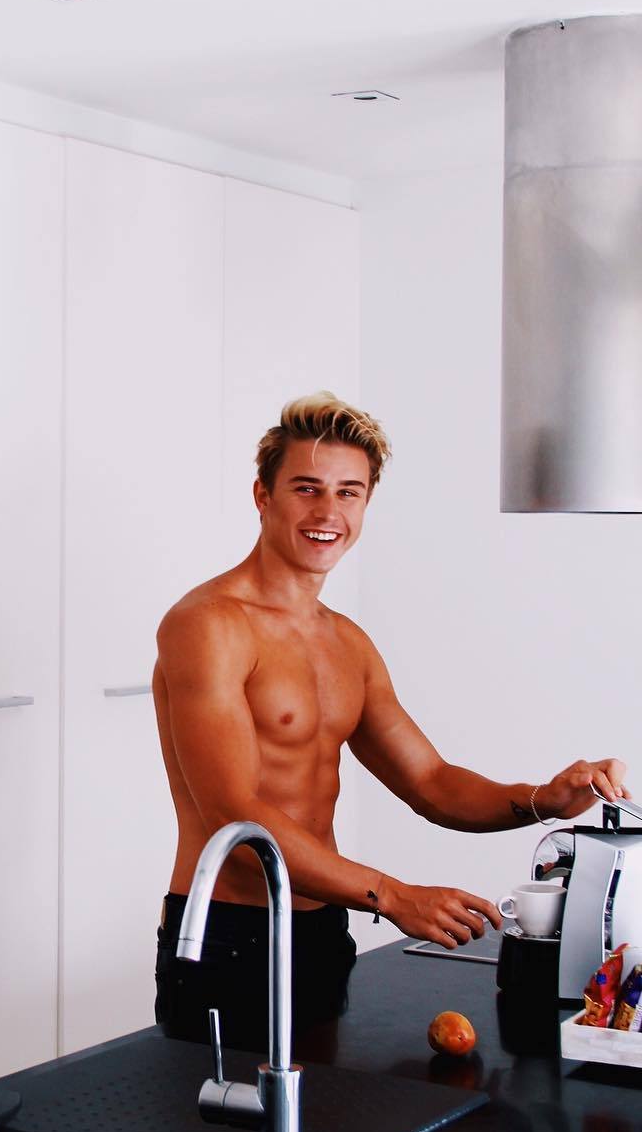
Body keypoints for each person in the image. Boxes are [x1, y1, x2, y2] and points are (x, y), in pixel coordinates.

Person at [152, 391, 631, 1052]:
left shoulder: (346, 644)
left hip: (323, 930)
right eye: (307, 488)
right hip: (229, 934)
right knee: (221, 1122)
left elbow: (430, 781)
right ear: (263, 496)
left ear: (366, 503)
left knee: (329, 1111)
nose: (328, 512)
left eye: (348, 492)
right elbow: (234, 814)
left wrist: (541, 799)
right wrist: (392, 895)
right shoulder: (207, 625)